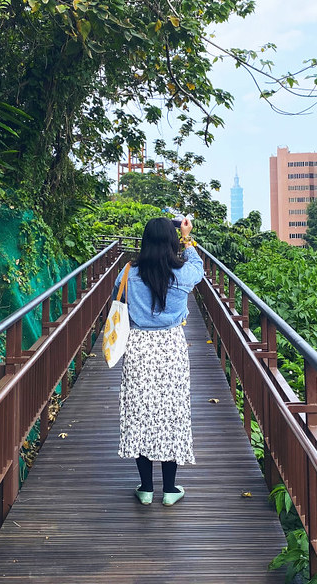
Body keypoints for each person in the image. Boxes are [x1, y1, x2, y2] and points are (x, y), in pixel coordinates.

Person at [114, 216, 204, 506]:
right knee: (171, 412)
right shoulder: (182, 275)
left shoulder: (128, 273)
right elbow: (199, 268)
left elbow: (120, 297)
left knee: (140, 410)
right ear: (172, 241)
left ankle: (145, 488)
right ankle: (169, 490)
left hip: (138, 346)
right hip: (171, 347)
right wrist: (188, 239)